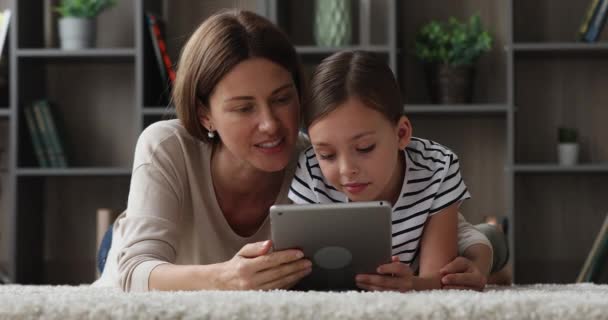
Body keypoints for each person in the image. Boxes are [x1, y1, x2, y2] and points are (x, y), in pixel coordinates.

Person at [95, 9, 496, 292]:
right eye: (243, 108)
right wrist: (226, 278)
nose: (270, 124)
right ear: (206, 115)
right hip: (146, 253)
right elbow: (132, 273)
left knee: (488, 239)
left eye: (282, 99)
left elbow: (449, 226)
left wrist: (480, 257)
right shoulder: (167, 145)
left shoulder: (320, 159)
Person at [288, 50, 507, 291]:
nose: (346, 169)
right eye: (327, 155)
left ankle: (493, 237)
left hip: (437, 228)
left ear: (401, 134)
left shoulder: (437, 166)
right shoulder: (310, 169)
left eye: (364, 148)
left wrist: (413, 284)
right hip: (412, 244)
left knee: (479, 249)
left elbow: (438, 279)